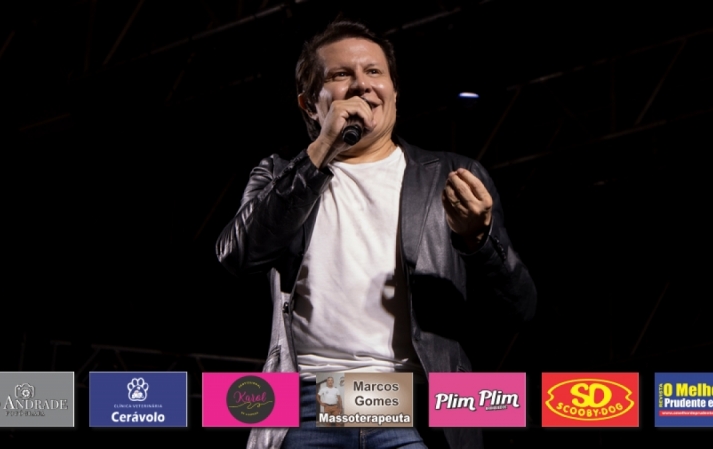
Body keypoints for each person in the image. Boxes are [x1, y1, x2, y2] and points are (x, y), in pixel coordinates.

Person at [215, 20, 536, 449]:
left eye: (373, 72)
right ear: (309, 104)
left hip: (414, 407)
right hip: (308, 404)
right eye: (340, 74)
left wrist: (478, 242)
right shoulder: (278, 175)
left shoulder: (449, 175)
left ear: (394, 91)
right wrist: (320, 152)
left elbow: (518, 310)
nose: (361, 85)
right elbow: (237, 255)